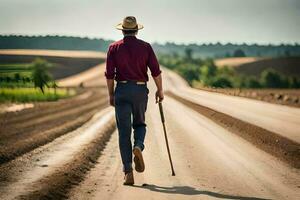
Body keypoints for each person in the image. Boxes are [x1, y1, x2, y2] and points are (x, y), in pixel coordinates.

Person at [105, 16, 164, 185]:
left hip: (122, 90)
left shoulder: (113, 48)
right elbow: (156, 72)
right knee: (139, 124)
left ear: (123, 30)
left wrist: (111, 95)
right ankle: (138, 145)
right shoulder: (145, 47)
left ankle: (128, 173)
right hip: (139, 90)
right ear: (137, 30)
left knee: (124, 132)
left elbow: (109, 75)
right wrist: (160, 90)